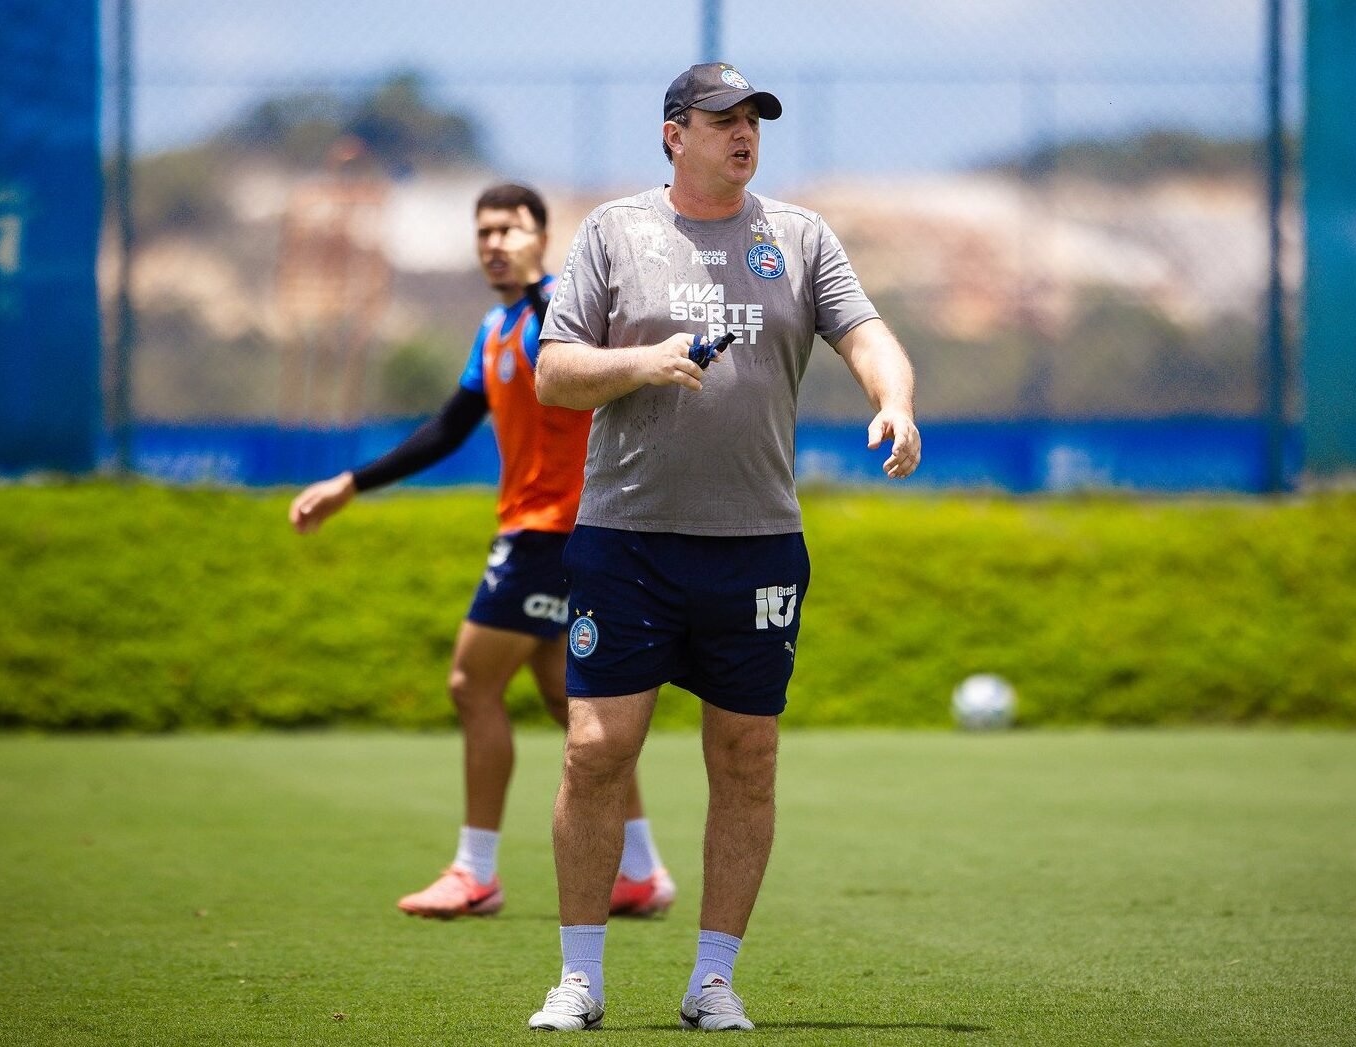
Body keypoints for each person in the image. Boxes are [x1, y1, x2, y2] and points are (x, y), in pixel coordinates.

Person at [524, 64, 921, 1032]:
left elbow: (867, 334)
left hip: (754, 546)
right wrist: (641, 361)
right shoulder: (615, 233)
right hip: (627, 541)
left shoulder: (797, 236)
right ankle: (579, 978)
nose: (742, 134)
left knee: (745, 755)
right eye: (721, 120)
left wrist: (894, 403)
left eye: (752, 121)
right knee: (593, 750)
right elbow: (554, 373)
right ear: (674, 134)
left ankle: (711, 981)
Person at [288, 183, 675, 920]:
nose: (494, 242)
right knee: (573, 704)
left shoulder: (557, 310)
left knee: (472, 684)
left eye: (510, 229)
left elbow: (626, 381)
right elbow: (448, 426)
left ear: (541, 236)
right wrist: (351, 481)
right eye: (483, 232)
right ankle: (639, 870)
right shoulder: (496, 326)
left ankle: (476, 872)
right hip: (534, 530)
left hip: (551, 534)